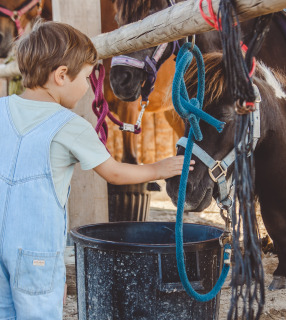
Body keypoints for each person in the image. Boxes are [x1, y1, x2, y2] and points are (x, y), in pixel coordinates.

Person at [0, 20, 193, 319]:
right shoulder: (70, 126)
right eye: (88, 77)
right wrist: (160, 168)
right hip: (36, 252)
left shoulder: (1, 110)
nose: (90, 87)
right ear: (62, 75)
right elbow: (115, 173)